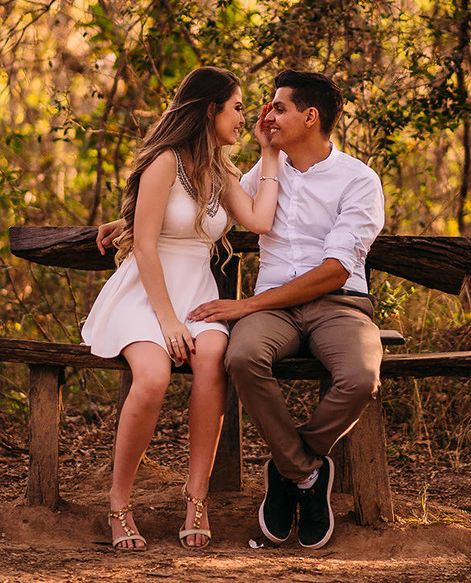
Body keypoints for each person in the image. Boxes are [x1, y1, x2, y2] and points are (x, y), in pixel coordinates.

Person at [81, 67, 281, 551]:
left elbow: (259, 218)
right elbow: (146, 247)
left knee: (213, 358)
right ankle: (119, 502)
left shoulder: (221, 170)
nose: (243, 117)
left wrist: (270, 153)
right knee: (152, 377)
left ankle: (196, 497)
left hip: (196, 291)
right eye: (236, 107)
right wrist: (168, 321)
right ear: (210, 109)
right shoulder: (164, 161)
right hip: (145, 293)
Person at [187, 69, 385, 550]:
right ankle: (308, 477)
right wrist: (127, 220)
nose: (266, 115)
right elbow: (192, 200)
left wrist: (246, 304)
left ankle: (288, 468)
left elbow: (335, 271)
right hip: (275, 312)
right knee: (241, 357)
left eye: (278, 108)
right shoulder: (262, 174)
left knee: (361, 378)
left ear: (310, 116)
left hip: (338, 306)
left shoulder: (358, 180)